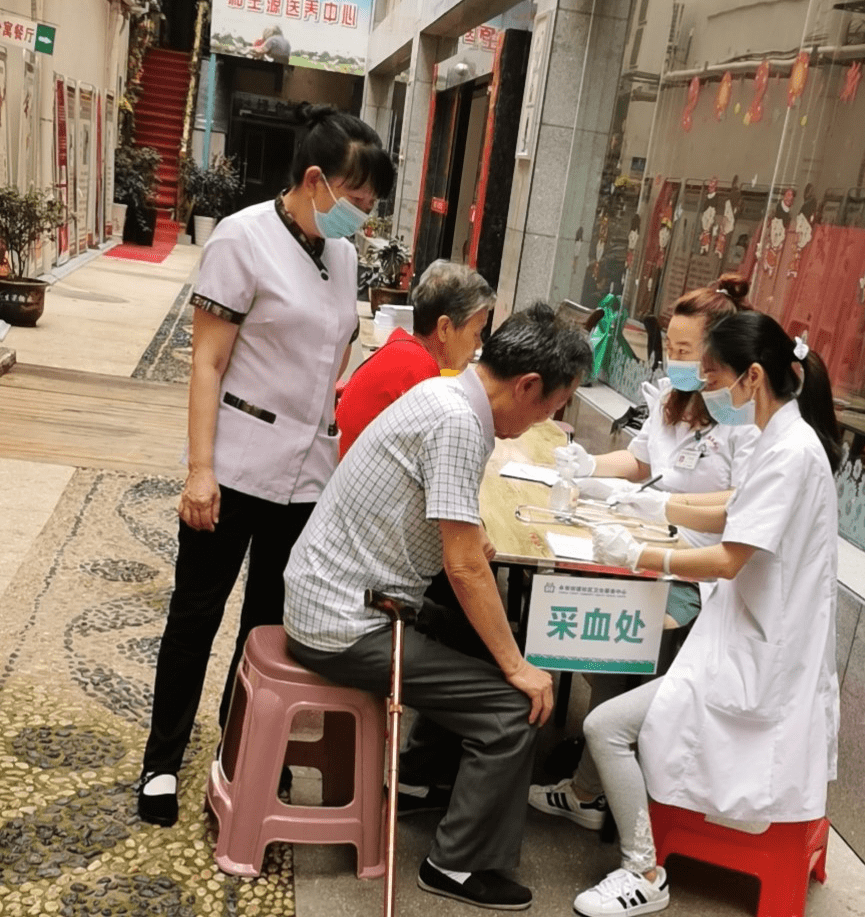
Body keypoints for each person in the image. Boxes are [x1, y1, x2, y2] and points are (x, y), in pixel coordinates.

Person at [283, 303, 593, 911]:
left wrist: (471, 541)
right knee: (512, 705)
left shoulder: (449, 396)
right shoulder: (459, 421)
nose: (542, 421)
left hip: (332, 593)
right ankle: (455, 865)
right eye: (551, 408)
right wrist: (519, 668)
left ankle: (423, 778)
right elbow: (465, 566)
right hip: (347, 621)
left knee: (479, 640)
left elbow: (449, 526)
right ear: (527, 385)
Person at [137, 104, 395, 827]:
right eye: (357, 200)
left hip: (306, 476)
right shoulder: (241, 239)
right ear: (315, 180)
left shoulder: (341, 254)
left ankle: (237, 754)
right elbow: (208, 363)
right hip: (235, 464)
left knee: (268, 626)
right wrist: (199, 468)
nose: (362, 218)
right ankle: (161, 761)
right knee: (196, 614)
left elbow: (336, 347)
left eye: (370, 206)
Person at [571, 311, 841, 917]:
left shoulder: (787, 452)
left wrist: (639, 551)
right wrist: (644, 500)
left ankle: (643, 870)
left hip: (754, 656)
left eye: (714, 378)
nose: (708, 391)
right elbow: (733, 509)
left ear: (752, 377)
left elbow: (725, 559)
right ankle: (638, 854)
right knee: (625, 723)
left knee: (605, 728)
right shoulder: (785, 440)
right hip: (748, 640)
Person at [529, 274, 759, 830]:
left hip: (699, 573)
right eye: (671, 348)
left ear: (720, 353)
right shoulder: (673, 398)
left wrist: (666, 507)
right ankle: (594, 777)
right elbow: (639, 462)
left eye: (685, 351)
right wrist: (583, 466)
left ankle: (599, 777)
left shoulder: (741, 414)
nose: (674, 361)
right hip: (645, 548)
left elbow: (746, 499)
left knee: (608, 631)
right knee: (599, 633)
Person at [336, 259, 496, 457]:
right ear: (445, 328)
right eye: (476, 333)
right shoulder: (418, 372)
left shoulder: (406, 351)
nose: (479, 344)